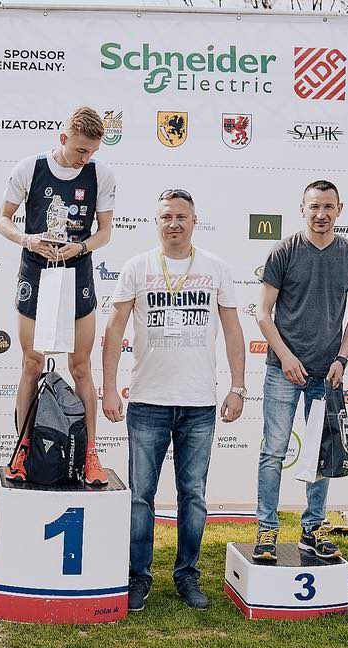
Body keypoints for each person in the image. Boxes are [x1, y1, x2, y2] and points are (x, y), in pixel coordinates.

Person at [102, 189, 246, 612]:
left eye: (182, 216)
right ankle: (138, 576)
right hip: (148, 401)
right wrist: (109, 387)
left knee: (193, 495)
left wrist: (238, 387)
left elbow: (233, 331)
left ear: (194, 221)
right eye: (166, 216)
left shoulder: (216, 268)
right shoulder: (138, 267)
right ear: (157, 221)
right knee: (140, 496)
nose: (174, 223)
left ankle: (187, 575)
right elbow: (115, 329)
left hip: (199, 404)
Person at [253, 179, 348, 562]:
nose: (321, 214)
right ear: (302, 209)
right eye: (314, 207)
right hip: (283, 370)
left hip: (327, 374)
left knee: (322, 452)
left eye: (328, 207)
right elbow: (262, 314)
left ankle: (313, 528)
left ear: (339, 210)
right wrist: (286, 358)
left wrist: (342, 359)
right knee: (273, 451)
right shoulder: (284, 252)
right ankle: (267, 530)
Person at [0, 106, 116, 486]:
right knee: (31, 364)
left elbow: (105, 232)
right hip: (36, 269)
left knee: (80, 367)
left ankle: (91, 453)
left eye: (91, 152)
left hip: (77, 270)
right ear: (63, 139)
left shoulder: (101, 175)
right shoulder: (29, 168)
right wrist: (27, 239)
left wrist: (81, 248)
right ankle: (22, 449)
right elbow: (2, 219)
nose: (85, 158)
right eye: (80, 150)